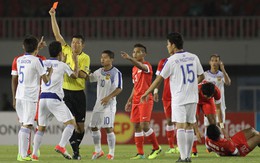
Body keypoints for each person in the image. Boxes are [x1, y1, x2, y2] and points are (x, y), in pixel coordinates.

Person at [141, 32, 204, 162]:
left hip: (179, 98)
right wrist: (192, 85)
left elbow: (159, 79)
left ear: (173, 45)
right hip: (193, 97)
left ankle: (183, 157)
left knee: (180, 126)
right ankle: (187, 157)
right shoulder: (194, 57)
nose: (167, 46)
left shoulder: (172, 60)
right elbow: (202, 76)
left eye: (168, 44)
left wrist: (147, 92)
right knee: (189, 126)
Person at [49, 7, 90, 160]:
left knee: (80, 127)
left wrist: (74, 62)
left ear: (82, 45)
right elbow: (57, 34)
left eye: (77, 43)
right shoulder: (64, 49)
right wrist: (53, 16)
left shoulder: (85, 57)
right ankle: (75, 152)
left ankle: (74, 147)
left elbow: (81, 76)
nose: (74, 45)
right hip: (65, 92)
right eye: (73, 42)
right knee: (70, 122)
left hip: (79, 94)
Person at [31, 41, 78, 160]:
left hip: (42, 99)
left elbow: (32, 58)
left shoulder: (42, 62)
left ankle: (35, 154)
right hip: (54, 99)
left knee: (41, 128)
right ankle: (61, 146)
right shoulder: (63, 65)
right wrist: (75, 61)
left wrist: (38, 48)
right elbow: (75, 76)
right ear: (60, 53)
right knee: (71, 124)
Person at [14, 35, 52, 161]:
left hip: (19, 96)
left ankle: (21, 153)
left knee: (24, 124)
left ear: (23, 47)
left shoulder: (19, 60)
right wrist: (50, 72)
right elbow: (46, 80)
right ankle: (23, 155)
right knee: (28, 125)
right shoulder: (37, 61)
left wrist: (36, 49)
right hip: (30, 97)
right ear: (36, 47)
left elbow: (30, 59)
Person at [121, 44, 161, 160]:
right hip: (136, 100)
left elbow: (141, 67)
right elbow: (135, 86)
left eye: (138, 52)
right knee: (137, 126)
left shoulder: (147, 66)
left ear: (144, 54)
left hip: (145, 98)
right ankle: (140, 153)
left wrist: (129, 58)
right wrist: (129, 100)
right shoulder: (134, 69)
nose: (135, 54)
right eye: (134, 52)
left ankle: (156, 148)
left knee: (144, 125)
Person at [88, 50, 123, 160]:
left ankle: (111, 153)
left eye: (105, 57)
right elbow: (90, 78)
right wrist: (83, 71)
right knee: (93, 127)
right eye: (101, 57)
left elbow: (119, 88)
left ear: (111, 59)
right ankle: (98, 151)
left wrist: (109, 97)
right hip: (98, 104)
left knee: (108, 128)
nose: (102, 59)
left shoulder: (116, 73)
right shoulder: (99, 71)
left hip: (109, 104)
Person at [192, 81, 228, 157]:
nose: (208, 97)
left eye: (210, 96)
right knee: (194, 121)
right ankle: (194, 149)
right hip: (195, 101)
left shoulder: (216, 91)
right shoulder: (195, 90)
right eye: (206, 96)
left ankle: (215, 147)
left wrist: (222, 126)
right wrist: (197, 131)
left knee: (213, 122)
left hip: (208, 103)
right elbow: (193, 116)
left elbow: (218, 109)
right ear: (202, 92)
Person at [154, 58, 179, 154]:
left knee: (179, 121)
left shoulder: (182, 60)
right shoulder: (163, 62)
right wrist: (156, 91)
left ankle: (181, 146)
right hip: (167, 96)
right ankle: (172, 147)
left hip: (178, 95)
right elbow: (158, 77)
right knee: (169, 121)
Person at [204, 54, 231, 128]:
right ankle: (208, 139)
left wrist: (223, 69)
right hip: (209, 106)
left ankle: (221, 137)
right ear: (210, 62)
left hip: (220, 106)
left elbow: (228, 83)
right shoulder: (205, 75)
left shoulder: (222, 74)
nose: (214, 63)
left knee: (221, 126)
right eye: (212, 61)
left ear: (219, 63)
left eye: (216, 61)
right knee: (209, 126)